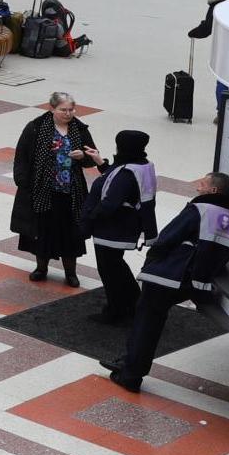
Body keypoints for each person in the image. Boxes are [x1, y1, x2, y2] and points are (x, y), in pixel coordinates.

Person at [105, 171, 229, 392]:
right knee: (152, 319)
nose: (198, 187)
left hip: (169, 274)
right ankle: (129, 363)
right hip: (197, 283)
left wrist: (153, 259)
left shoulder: (199, 209)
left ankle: (130, 374)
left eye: (202, 184)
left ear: (213, 190)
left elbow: (168, 237)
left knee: (147, 322)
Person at [10, 92, 101, 286]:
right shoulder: (36, 127)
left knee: (70, 233)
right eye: (63, 110)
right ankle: (41, 268)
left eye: (71, 109)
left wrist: (82, 157)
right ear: (52, 109)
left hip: (71, 191)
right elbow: (22, 155)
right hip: (43, 190)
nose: (68, 114)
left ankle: (70, 273)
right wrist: (22, 181)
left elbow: (91, 157)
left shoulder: (79, 129)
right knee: (42, 231)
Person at [85, 130, 159, 325]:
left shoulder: (127, 171)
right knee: (117, 267)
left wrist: (90, 218)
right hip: (124, 227)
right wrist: (102, 163)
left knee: (110, 271)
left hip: (112, 229)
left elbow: (111, 201)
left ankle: (116, 310)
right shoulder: (141, 165)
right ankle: (135, 304)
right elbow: (115, 177)